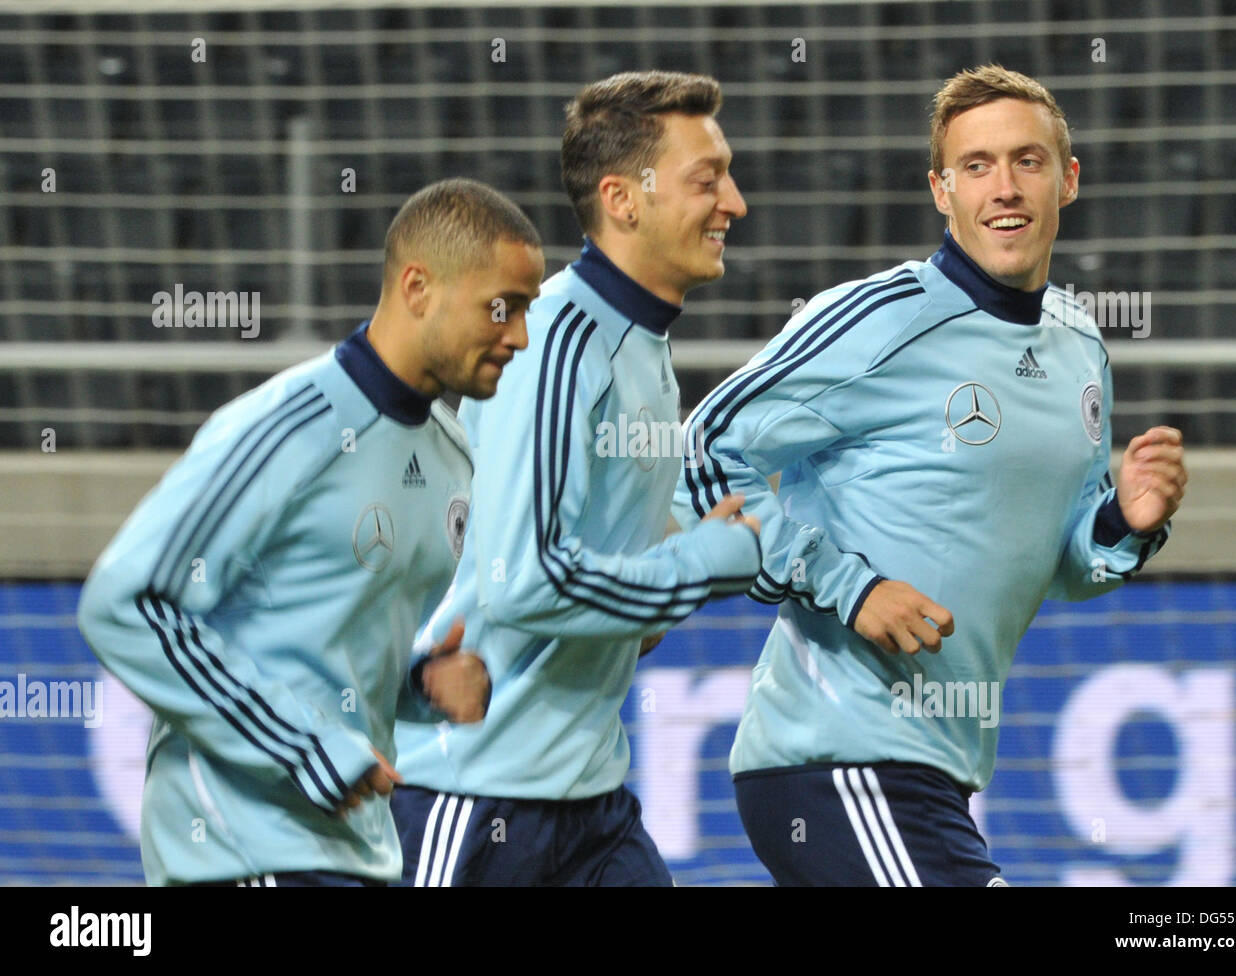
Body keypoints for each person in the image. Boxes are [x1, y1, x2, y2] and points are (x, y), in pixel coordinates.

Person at [674, 64, 1188, 886]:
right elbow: (699, 455)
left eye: (1028, 161)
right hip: (835, 759)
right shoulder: (881, 319)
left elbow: (1061, 565)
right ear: (941, 192)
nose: (1005, 188)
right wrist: (850, 587)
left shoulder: (1080, 345)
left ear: (1070, 180)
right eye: (976, 166)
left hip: (937, 770)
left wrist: (1125, 522)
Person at [77, 178, 544, 886]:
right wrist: (302, 745)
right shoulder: (289, 426)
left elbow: (317, 649)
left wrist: (419, 684)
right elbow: (124, 602)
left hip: (354, 850)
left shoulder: (452, 455)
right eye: (501, 308)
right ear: (418, 287)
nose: (520, 336)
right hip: (243, 850)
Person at [391, 71, 761, 887]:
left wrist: (672, 576)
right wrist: (697, 565)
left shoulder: (642, 345)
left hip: (588, 799)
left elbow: (602, 568)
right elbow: (523, 583)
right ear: (623, 200)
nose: (734, 202)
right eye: (709, 180)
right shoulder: (555, 343)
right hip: (479, 796)